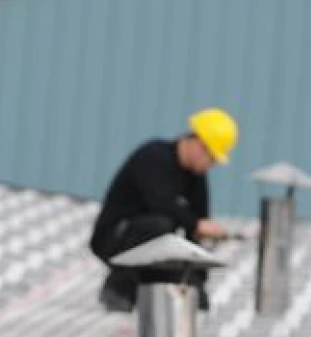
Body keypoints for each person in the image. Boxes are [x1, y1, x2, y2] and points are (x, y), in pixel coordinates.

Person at [90, 107, 238, 312]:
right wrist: (196, 224)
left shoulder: (195, 176)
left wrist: (197, 281)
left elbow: (198, 226)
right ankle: (118, 288)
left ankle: (146, 287)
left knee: (192, 295)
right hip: (114, 238)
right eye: (211, 158)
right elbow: (162, 204)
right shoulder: (153, 156)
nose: (210, 165)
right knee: (159, 224)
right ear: (198, 144)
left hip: (152, 245)